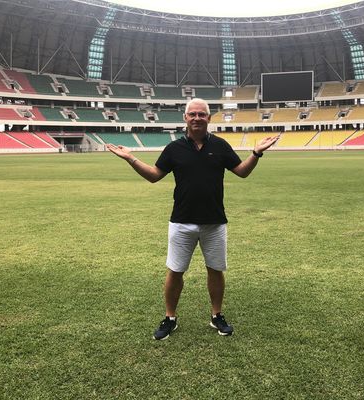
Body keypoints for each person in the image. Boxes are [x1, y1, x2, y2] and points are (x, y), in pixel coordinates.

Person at [107, 98, 279, 340]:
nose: (197, 118)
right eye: (192, 114)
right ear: (185, 118)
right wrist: (131, 159)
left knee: (216, 270)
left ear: (209, 118)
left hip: (214, 222)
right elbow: (155, 176)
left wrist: (256, 153)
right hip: (181, 221)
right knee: (175, 271)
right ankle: (170, 318)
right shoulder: (174, 149)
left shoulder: (220, 145)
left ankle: (216, 315)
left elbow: (241, 171)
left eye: (202, 114)